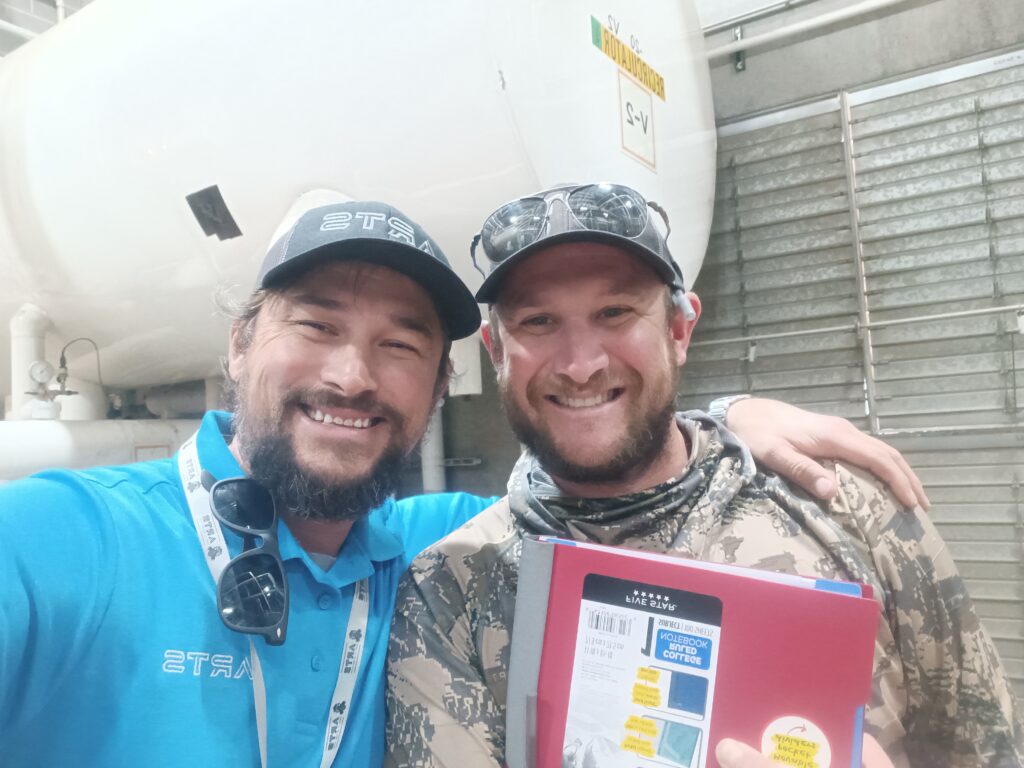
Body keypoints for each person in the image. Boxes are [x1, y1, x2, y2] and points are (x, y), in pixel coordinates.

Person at [0, 196, 929, 767]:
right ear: (241, 342)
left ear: (442, 387)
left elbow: (603, 457)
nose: (351, 376)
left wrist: (719, 424)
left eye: (400, 345)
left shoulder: (446, 552)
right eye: (316, 326)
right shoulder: (59, 543)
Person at [385, 183, 1024, 768]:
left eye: (615, 312)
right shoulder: (451, 591)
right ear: (497, 352)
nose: (580, 365)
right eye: (538, 322)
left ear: (680, 328)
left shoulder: (844, 504)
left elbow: (982, 745)